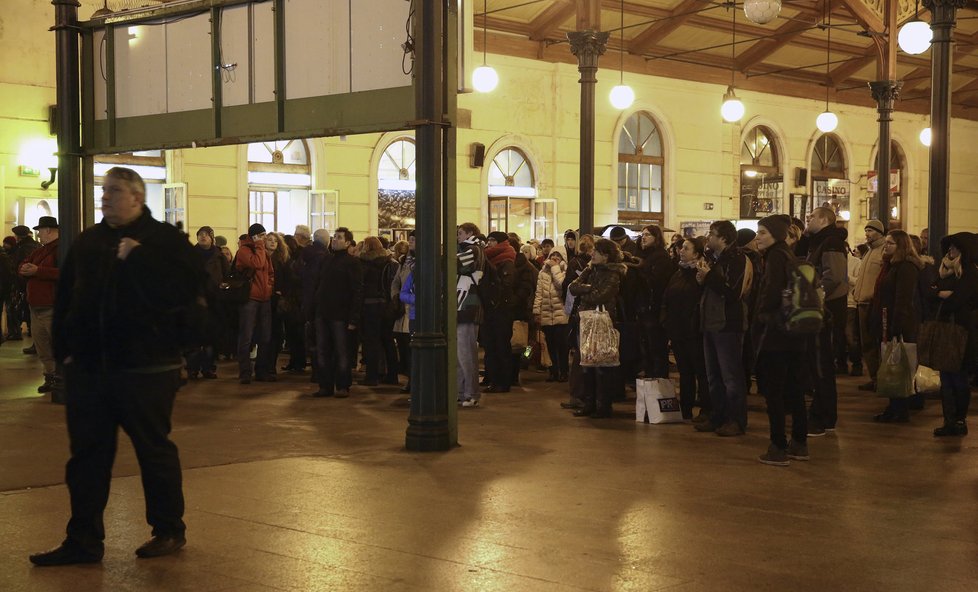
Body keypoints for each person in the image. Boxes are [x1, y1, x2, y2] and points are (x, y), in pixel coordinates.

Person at [31, 167, 198, 566]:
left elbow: (184, 293)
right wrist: (68, 351)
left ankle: (168, 528)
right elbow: (69, 297)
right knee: (86, 457)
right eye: (104, 191)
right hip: (91, 370)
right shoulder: (89, 241)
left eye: (115, 191)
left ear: (137, 198)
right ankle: (83, 539)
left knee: (153, 451)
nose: (105, 197)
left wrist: (138, 259)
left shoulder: (163, 241)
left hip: (147, 368)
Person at [752, 215, 810, 466]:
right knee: (794, 389)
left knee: (774, 392)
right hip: (795, 332)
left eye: (763, 232)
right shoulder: (789, 255)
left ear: (775, 235)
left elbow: (771, 292)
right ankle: (799, 442)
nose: (758, 237)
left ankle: (778, 446)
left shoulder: (775, 257)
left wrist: (761, 316)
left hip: (776, 334)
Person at [695, 220, 749, 437]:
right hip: (710, 322)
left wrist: (708, 277)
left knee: (731, 376)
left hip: (728, 324)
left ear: (724, 238)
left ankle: (736, 420)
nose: (709, 237)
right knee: (713, 376)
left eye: (712, 233)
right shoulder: (713, 259)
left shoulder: (736, 259)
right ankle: (718, 416)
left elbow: (733, 292)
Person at [569, 238, 626, 418]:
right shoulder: (590, 269)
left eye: (596, 252)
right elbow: (572, 287)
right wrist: (589, 288)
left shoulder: (613, 273)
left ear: (606, 256)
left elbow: (601, 296)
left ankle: (603, 404)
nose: (591, 254)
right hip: (586, 321)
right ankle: (589, 402)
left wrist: (586, 290)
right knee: (586, 363)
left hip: (602, 323)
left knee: (602, 364)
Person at [870, 230, 923, 423]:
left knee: (900, 365)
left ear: (901, 246)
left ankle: (900, 408)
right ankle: (894, 406)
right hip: (888, 320)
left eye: (891, 243)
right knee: (892, 364)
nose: (886, 246)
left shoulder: (907, 267)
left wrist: (896, 325)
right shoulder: (893, 265)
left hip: (899, 323)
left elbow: (903, 299)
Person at [803, 206, 847, 435]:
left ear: (823, 219)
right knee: (818, 364)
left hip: (827, 311)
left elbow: (834, 276)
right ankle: (820, 414)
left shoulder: (831, 242)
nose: (807, 220)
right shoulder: (819, 241)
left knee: (822, 365)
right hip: (820, 309)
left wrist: (815, 295)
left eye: (810, 217)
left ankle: (823, 417)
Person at [931, 233, 978, 437]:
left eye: (954, 249)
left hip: (962, 330)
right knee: (946, 377)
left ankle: (959, 420)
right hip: (945, 328)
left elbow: (957, 300)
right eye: (948, 248)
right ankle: (948, 420)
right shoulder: (945, 271)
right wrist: (940, 293)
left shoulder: (970, 273)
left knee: (958, 377)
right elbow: (931, 291)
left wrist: (942, 294)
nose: (950, 252)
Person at [662, 237, 710, 421]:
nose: (681, 250)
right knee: (685, 372)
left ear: (697, 253)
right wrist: (666, 320)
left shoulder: (700, 273)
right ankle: (686, 407)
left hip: (694, 330)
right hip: (678, 329)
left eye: (686, 248)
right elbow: (667, 297)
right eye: (681, 248)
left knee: (700, 371)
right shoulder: (678, 273)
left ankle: (706, 409)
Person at [312, 228, 362, 398]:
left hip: (340, 314)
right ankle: (325, 385)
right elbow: (319, 285)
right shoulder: (327, 260)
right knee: (322, 350)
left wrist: (354, 318)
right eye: (334, 237)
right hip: (323, 313)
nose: (335, 240)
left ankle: (342, 385)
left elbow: (357, 291)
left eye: (339, 238)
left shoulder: (352, 263)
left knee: (341, 351)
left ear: (348, 243)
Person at [18, 216, 60, 393]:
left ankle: (60, 378)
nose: (38, 234)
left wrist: (37, 271)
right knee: (42, 345)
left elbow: (65, 273)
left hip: (51, 305)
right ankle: (50, 376)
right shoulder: (39, 251)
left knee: (56, 344)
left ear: (48, 230)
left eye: (40, 231)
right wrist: (25, 269)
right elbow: (23, 264)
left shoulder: (60, 249)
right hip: (35, 305)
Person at [235, 223, 276, 384]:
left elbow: (270, 272)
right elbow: (257, 264)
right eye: (263, 235)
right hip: (249, 299)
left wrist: (269, 286)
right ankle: (245, 372)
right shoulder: (244, 250)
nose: (265, 238)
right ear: (255, 236)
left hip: (264, 298)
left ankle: (261, 371)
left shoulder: (263, 251)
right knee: (246, 336)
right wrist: (259, 245)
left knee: (265, 336)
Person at [185, 226, 225, 379]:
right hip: (194, 300)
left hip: (214, 300)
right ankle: (192, 368)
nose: (202, 237)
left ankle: (208, 367)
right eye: (200, 234)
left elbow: (226, 275)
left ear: (211, 237)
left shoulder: (219, 255)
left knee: (211, 337)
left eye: (206, 235)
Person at [637, 224, 677, 379]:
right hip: (644, 309)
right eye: (643, 234)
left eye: (647, 235)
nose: (643, 237)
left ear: (656, 238)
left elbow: (657, 283)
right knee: (647, 351)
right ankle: (650, 385)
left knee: (656, 351)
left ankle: (659, 387)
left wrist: (640, 271)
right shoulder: (646, 255)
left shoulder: (660, 257)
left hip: (654, 310)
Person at [561, 234, 594, 410]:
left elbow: (569, 286)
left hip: (580, 313)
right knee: (582, 355)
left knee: (580, 355)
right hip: (584, 313)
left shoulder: (579, 264)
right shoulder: (589, 267)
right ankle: (581, 394)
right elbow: (572, 286)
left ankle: (579, 394)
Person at [854, 220, 887, 390]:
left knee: (876, 341)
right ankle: (874, 377)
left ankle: (881, 378)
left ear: (879, 232)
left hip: (872, 302)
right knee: (866, 342)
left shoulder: (883, 250)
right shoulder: (868, 251)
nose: (867, 234)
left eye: (871, 231)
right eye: (866, 230)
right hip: (862, 301)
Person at [482, 231, 517, 393]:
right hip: (490, 309)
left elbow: (505, 285)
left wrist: (494, 298)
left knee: (501, 346)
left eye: (493, 240)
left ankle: (503, 381)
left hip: (501, 309)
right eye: (488, 240)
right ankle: (494, 380)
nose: (489, 243)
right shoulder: (487, 258)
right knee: (491, 346)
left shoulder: (506, 259)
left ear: (501, 242)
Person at [456, 223, 486, 407]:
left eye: (460, 233)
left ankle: (471, 393)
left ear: (469, 233)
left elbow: (457, 265)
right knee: (460, 353)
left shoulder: (473, 249)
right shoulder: (471, 249)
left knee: (466, 353)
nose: (457, 236)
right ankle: (461, 392)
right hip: (464, 306)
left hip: (468, 306)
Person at [357, 236, 394, 386]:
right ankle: (392, 375)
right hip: (385, 305)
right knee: (387, 341)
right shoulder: (388, 262)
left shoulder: (364, 263)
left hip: (369, 305)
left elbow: (360, 285)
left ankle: (371, 377)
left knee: (371, 342)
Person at [533, 250, 569, 382]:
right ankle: (553, 371)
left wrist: (554, 268)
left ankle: (564, 371)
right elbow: (539, 293)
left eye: (558, 256)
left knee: (562, 345)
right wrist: (537, 311)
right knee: (550, 345)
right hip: (547, 313)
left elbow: (561, 285)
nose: (554, 258)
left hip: (561, 314)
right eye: (552, 256)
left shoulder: (565, 271)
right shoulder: (542, 273)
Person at [391, 232, 416, 393]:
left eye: (414, 239)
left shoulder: (422, 261)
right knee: (404, 348)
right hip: (401, 311)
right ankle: (409, 379)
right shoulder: (404, 261)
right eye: (411, 239)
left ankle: (413, 381)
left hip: (413, 311)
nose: (411, 242)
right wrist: (395, 296)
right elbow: (396, 281)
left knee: (411, 348)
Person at [7, 225, 39, 341]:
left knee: (21, 310)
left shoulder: (22, 248)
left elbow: (19, 266)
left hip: (23, 284)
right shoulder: (36, 246)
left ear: (18, 237)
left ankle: (19, 333)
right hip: (30, 284)